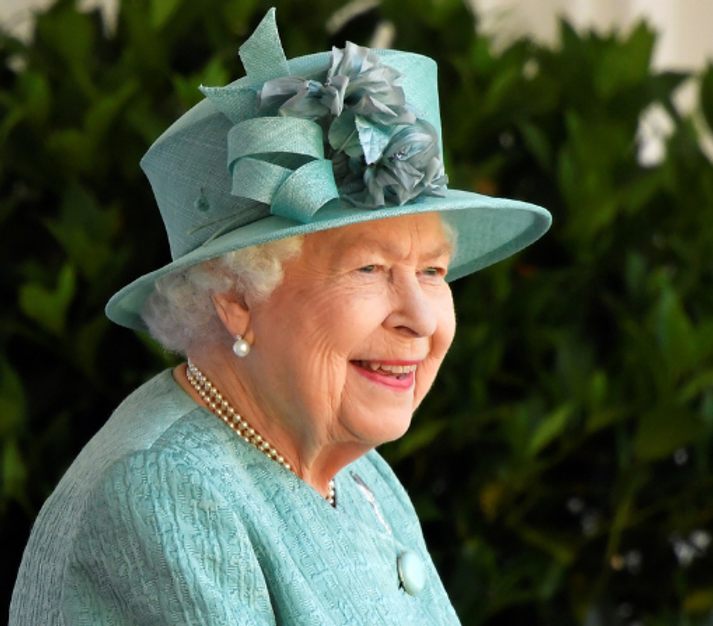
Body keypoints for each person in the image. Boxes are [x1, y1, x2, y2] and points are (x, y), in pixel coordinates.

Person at [9, 9, 550, 625]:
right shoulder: (167, 495)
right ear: (237, 299)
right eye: (369, 269)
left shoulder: (357, 470)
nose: (422, 320)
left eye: (433, 271)